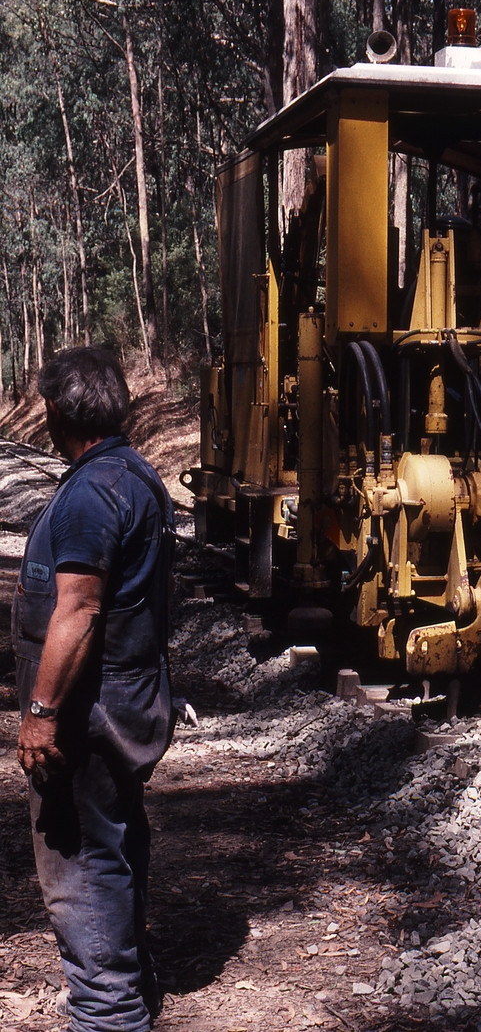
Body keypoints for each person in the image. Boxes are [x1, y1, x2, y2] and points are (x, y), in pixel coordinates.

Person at [14, 347, 175, 1031]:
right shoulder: (138, 476)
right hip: (129, 701)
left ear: (55, 411)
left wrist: (42, 713)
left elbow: (78, 610)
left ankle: (108, 1011)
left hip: (88, 712)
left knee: (78, 860)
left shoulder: (90, 492)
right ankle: (127, 977)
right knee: (115, 837)